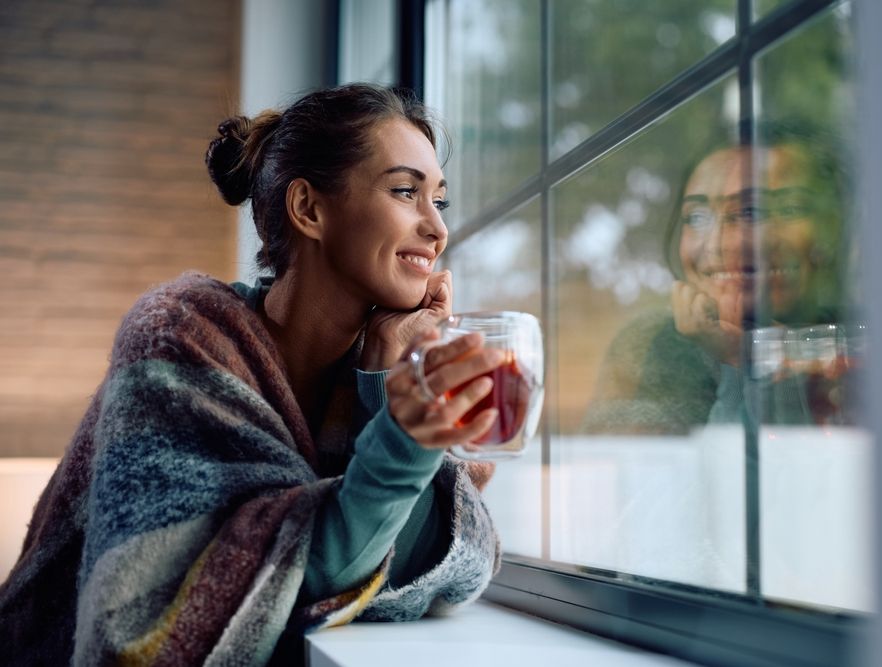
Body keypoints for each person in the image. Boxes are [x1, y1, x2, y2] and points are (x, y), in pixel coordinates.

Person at [0, 83, 505, 665]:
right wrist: (399, 438)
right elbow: (280, 577)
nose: (436, 229)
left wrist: (383, 374)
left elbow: (434, 565)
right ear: (309, 209)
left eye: (438, 201)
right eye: (403, 192)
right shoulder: (180, 337)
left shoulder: (385, 359)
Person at [583, 121, 855, 434]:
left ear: (833, 229)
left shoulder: (862, 346)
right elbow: (638, 474)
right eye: (696, 217)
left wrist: (759, 361)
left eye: (753, 212)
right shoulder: (657, 345)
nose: (716, 245)